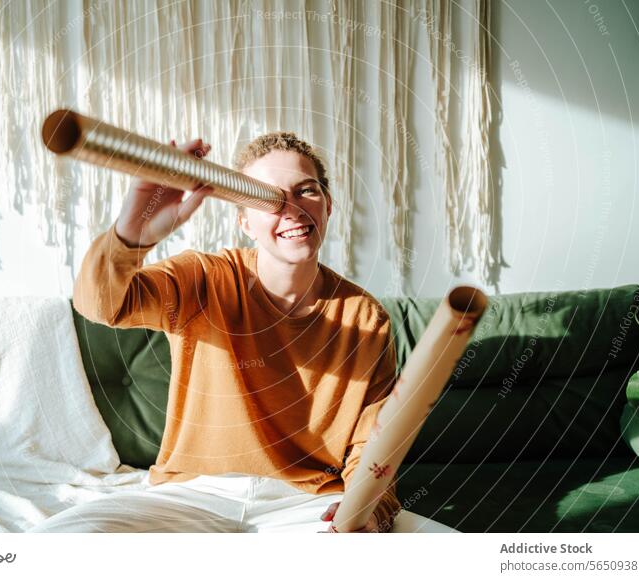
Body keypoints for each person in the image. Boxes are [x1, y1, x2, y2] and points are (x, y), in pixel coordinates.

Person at [35, 132, 455, 534]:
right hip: (193, 495)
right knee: (59, 543)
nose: (291, 209)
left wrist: (370, 508)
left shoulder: (367, 318)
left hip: (304, 502)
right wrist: (135, 229)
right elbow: (100, 303)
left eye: (307, 191)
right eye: (268, 198)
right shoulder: (204, 278)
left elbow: (372, 445)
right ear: (244, 221)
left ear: (329, 205)